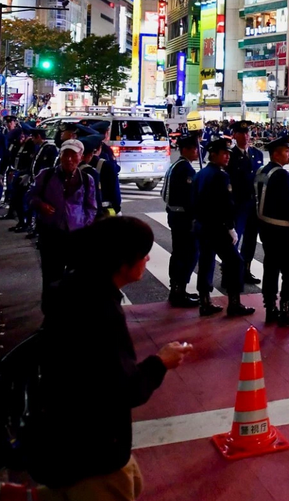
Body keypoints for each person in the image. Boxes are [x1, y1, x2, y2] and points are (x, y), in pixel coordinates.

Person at [29, 217, 193, 499]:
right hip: (94, 449)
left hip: (65, 435)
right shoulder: (100, 311)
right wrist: (160, 362)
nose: (147, 259)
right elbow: (124, 389)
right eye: (143, 254)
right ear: (122, 263)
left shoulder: (74, 287)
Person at [193, 138, 253, 318]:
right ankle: (234, 303)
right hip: (217, 227)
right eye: (224, 153)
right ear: (213, 155)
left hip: (203, 226)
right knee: (235, 263)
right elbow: (225, 204)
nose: (228, 157)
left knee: (206, 262)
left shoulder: (201, 174)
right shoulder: (220, 175)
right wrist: (230, 227)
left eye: (228, 153)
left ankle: (205, 301)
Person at [28, 139, 99, 289]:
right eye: (65, 154)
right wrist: (40, 204)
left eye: (73, 155)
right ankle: (51, 310)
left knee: (75, 278)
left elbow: (91, 207)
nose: (69, 159)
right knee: (51, 277)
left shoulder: (87, 179)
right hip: (51, 235)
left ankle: (69, 310)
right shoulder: (46, 175)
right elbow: (31, 196)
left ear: (80, 157)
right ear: (59, 156)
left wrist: (82, 223)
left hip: (76, 237)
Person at [254, 136, 289, 326]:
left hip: (266, 227)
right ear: (276, 153)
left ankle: (270, 308)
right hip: (283, 229)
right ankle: (286, 310)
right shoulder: (283, 176)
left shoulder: (261, 171)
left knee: (271, 269)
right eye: (286, 151)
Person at [161, 135, 201, 308]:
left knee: (179, 252)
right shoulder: (185, 169)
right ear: (185, 149)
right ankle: (179, 289)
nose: (197, 152)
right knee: (188, 254)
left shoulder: (175, 166)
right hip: (184, 217)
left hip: (175, 215)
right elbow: (191, 198)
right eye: (194, 149)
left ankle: (177, 289)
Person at [227, 123, 264, 286]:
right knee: (234, 239)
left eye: (247, 132)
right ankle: (230, 272)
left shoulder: (257, 154)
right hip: (237, 204)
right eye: (241, 133)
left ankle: (246, 270)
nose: (245, 136)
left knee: (250, 240)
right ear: (234, 135)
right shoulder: (229, 155)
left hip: (253, 204)